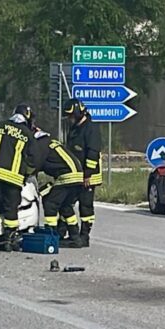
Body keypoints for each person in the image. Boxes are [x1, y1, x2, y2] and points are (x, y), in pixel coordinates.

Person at [0, 104, 37, 253]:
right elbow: (32, 161)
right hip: (13, 179)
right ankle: (9, 242)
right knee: (11, 211)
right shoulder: (27, 134)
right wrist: (25, 175)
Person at [31, 127, 84, 248]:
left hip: (67, 176)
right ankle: (75, 237)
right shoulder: (50, 141)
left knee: (50, 203)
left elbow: (36, 164)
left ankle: (51, 236)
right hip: (77, 175)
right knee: (65, 206)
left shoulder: (40, 144)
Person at [61, 98, 102, 247]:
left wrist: (88, 174)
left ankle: (84, 237)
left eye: (71, 116)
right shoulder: (75, 128)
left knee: (86, 207)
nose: (69, 119)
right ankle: (71, 234)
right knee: (66, 203)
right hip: (75, 175)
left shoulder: (91, 128)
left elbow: (93, 152)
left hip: (88, 177)